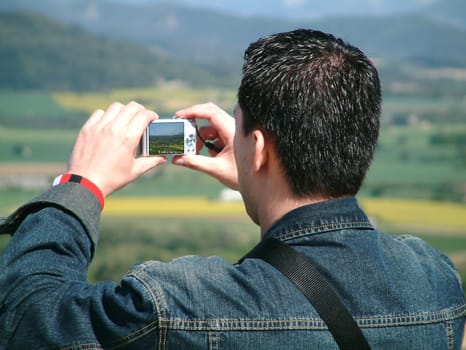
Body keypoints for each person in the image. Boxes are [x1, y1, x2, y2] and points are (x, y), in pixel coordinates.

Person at [0, 29, 464, 349]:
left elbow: (29, 319)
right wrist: (261, 179)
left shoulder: (179, 305)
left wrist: (80, 186)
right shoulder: (435, 280)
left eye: (239, 129)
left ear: (258, 149)